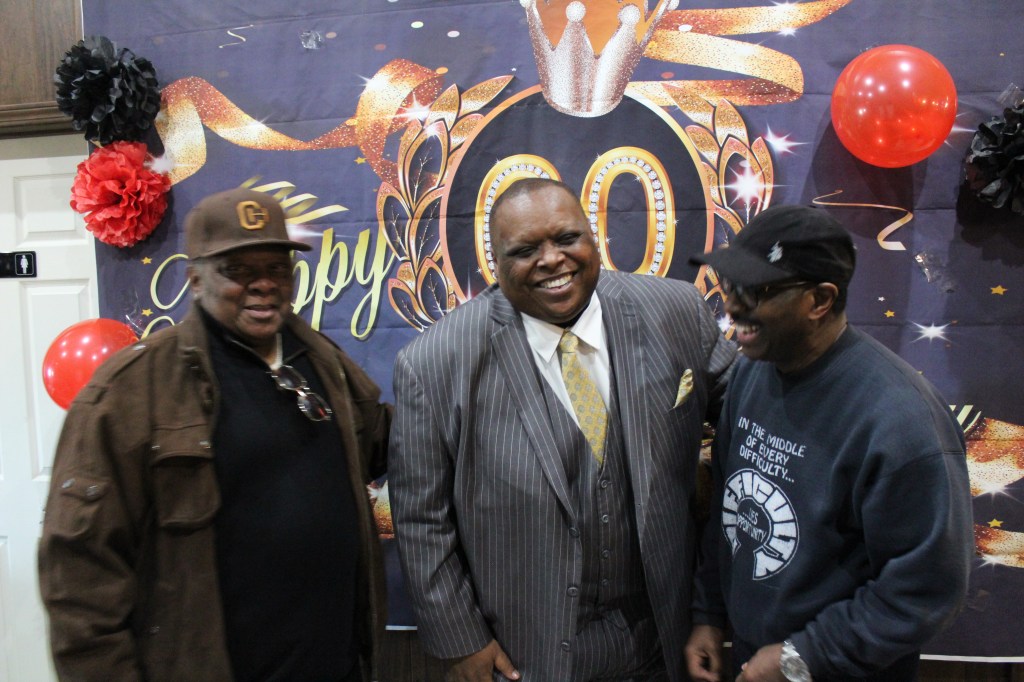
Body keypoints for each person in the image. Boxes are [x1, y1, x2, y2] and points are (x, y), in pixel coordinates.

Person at [388, 177, 736, 681]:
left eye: (567, 238)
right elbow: (421, 519)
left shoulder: (676, 311)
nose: (552, 260)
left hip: (664, 639)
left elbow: (750, 418)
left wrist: (710, 610)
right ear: (495, 263)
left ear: (593, 237)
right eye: (525, 250)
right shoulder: (434, 363)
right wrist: (462, 640)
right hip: (528, 653)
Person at [38, 188, 391, 682]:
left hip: (335, 665)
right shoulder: (130, 390)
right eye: (238, 270)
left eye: (277, 268)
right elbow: (80, 573)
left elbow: (382, 442)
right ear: (195, 278)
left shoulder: (320, 359)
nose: (264, 284)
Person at [685, 205, 973, 682]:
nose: (732, 306)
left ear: (819, 300)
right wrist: (709, 614)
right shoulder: (752, 373)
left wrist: (802, 658)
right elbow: (728, 510)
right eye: (730, 285)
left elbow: (925, 590)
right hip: (753, 661)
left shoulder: (902, 422)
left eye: (755, 291)